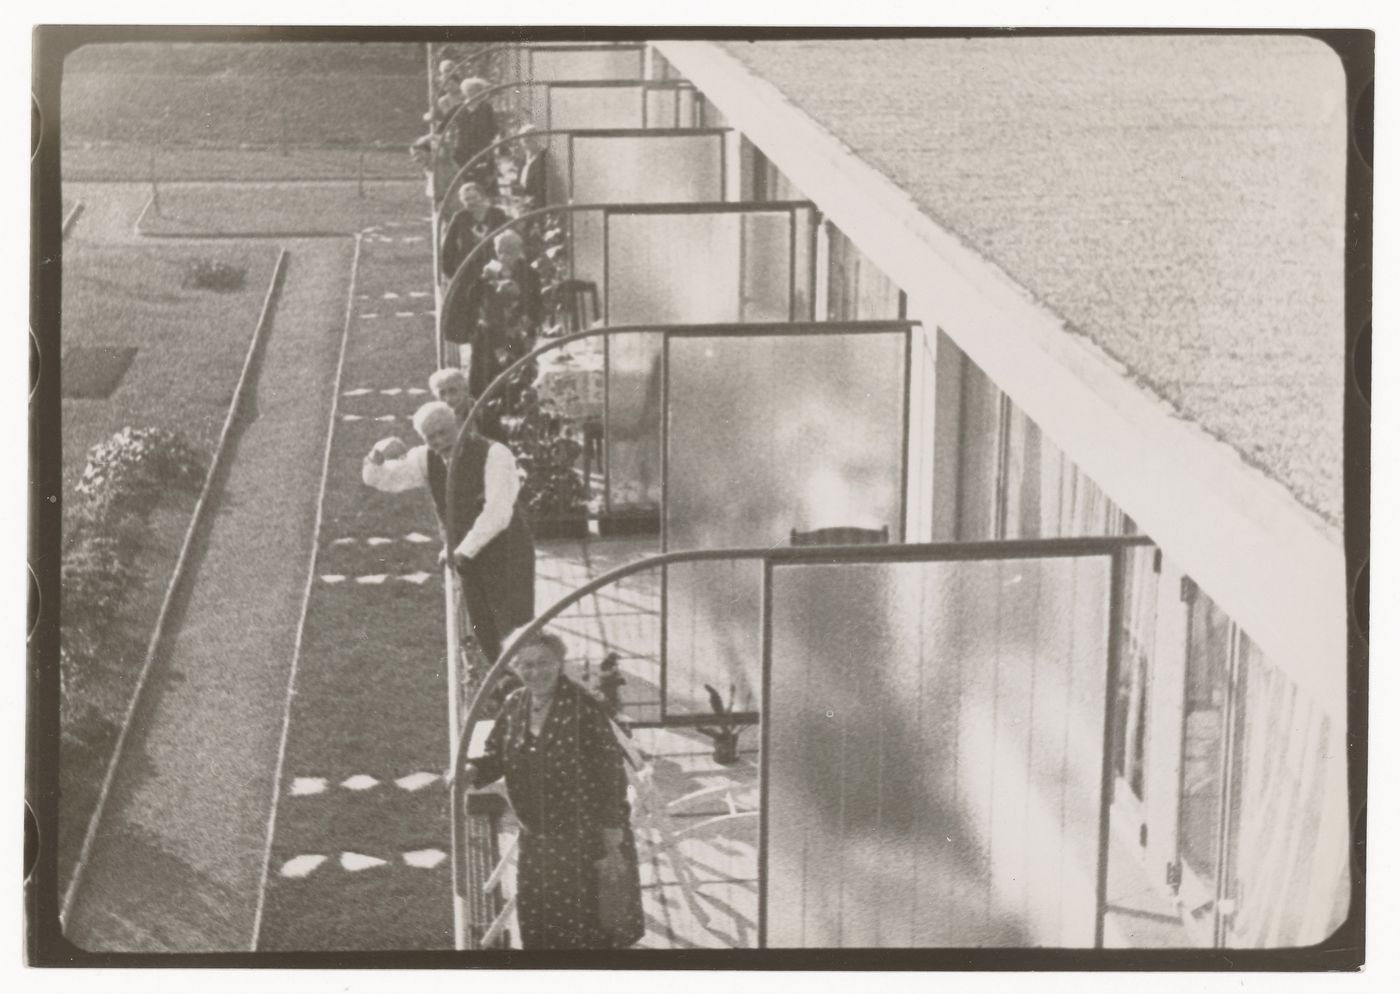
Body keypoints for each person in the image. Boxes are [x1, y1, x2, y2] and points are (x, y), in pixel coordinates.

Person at [458, 630, 639, 949]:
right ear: (514, 667)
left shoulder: (583, 707)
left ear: (560, 663)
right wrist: (473, 769)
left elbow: (611, 775)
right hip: (538, 838)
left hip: (584, 840)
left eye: (543, 662)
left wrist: (612, 833)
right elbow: (496, 753)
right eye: (525, 664)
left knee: (587, 930)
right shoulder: (516, 703)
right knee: (543, 928)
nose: (535, 672)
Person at [364, 401, 534, 660]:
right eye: (431, 437)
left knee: (516, 627)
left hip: (507, 551)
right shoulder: (425, 458)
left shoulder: (495, 454)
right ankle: (503, 688)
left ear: (458, 424)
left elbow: (497, 513)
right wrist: (377, 453)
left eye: (445, 432)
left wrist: (461, 550)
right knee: (484, 628)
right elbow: (383, 479)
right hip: (468, 558)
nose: (440, 441)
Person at [440, 181, 508, 282]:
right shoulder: (460, 218)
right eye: (467, 199)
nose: (472, 202)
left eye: (474, 197)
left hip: (495, 268)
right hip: (468, 271)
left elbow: (508, 240)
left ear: (482, 196)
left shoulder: (497, 215)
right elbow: (448, 248)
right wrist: (453, 274)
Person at [514, 125, 549, 209]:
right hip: (524, 206)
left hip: (538, 207)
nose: (524, 142)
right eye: (523, 140)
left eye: (528, 139)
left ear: (537, 139)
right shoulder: (522, 161)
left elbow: (542, 189)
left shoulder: (543, 158)